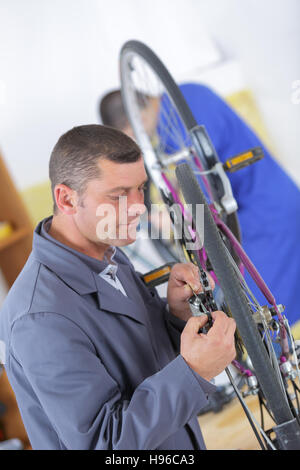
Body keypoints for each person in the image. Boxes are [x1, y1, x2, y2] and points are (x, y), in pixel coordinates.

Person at [0, 125, 236, 450]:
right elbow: (106, 445)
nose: (139, 206)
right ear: (67, 199)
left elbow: (140, 364)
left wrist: (175, 315)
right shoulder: (40, 317)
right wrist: (194, 370)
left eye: (140, 187)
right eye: (118, 195)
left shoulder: (108, 253)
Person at [99, 86, 300, 328]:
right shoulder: (186, 95)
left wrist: (171, 217)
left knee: (260, 315)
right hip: (272, 196)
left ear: (135, 121)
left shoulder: (174, 126)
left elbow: (201, 192)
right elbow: (193, 167)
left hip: (263, 216)